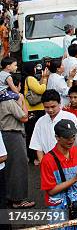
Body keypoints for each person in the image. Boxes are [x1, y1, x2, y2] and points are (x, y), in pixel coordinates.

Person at [0, 65, 34, 208]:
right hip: (13, 135)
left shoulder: (3, 99)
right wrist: (22, 100)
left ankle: (9, 196)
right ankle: (18, 199)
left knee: (8, 169)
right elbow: (24, 117)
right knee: (18, 168)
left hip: (6, 135)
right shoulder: (10, 101)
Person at [30, 89, 77, 163]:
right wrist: (43, 164)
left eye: (53, 107)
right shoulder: (40, 121)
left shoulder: (70, 117)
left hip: (68, 161)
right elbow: (38, 146)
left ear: (59, 103)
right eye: (46, 107)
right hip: (49, 162)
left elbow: (75, 142)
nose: (50, 110)